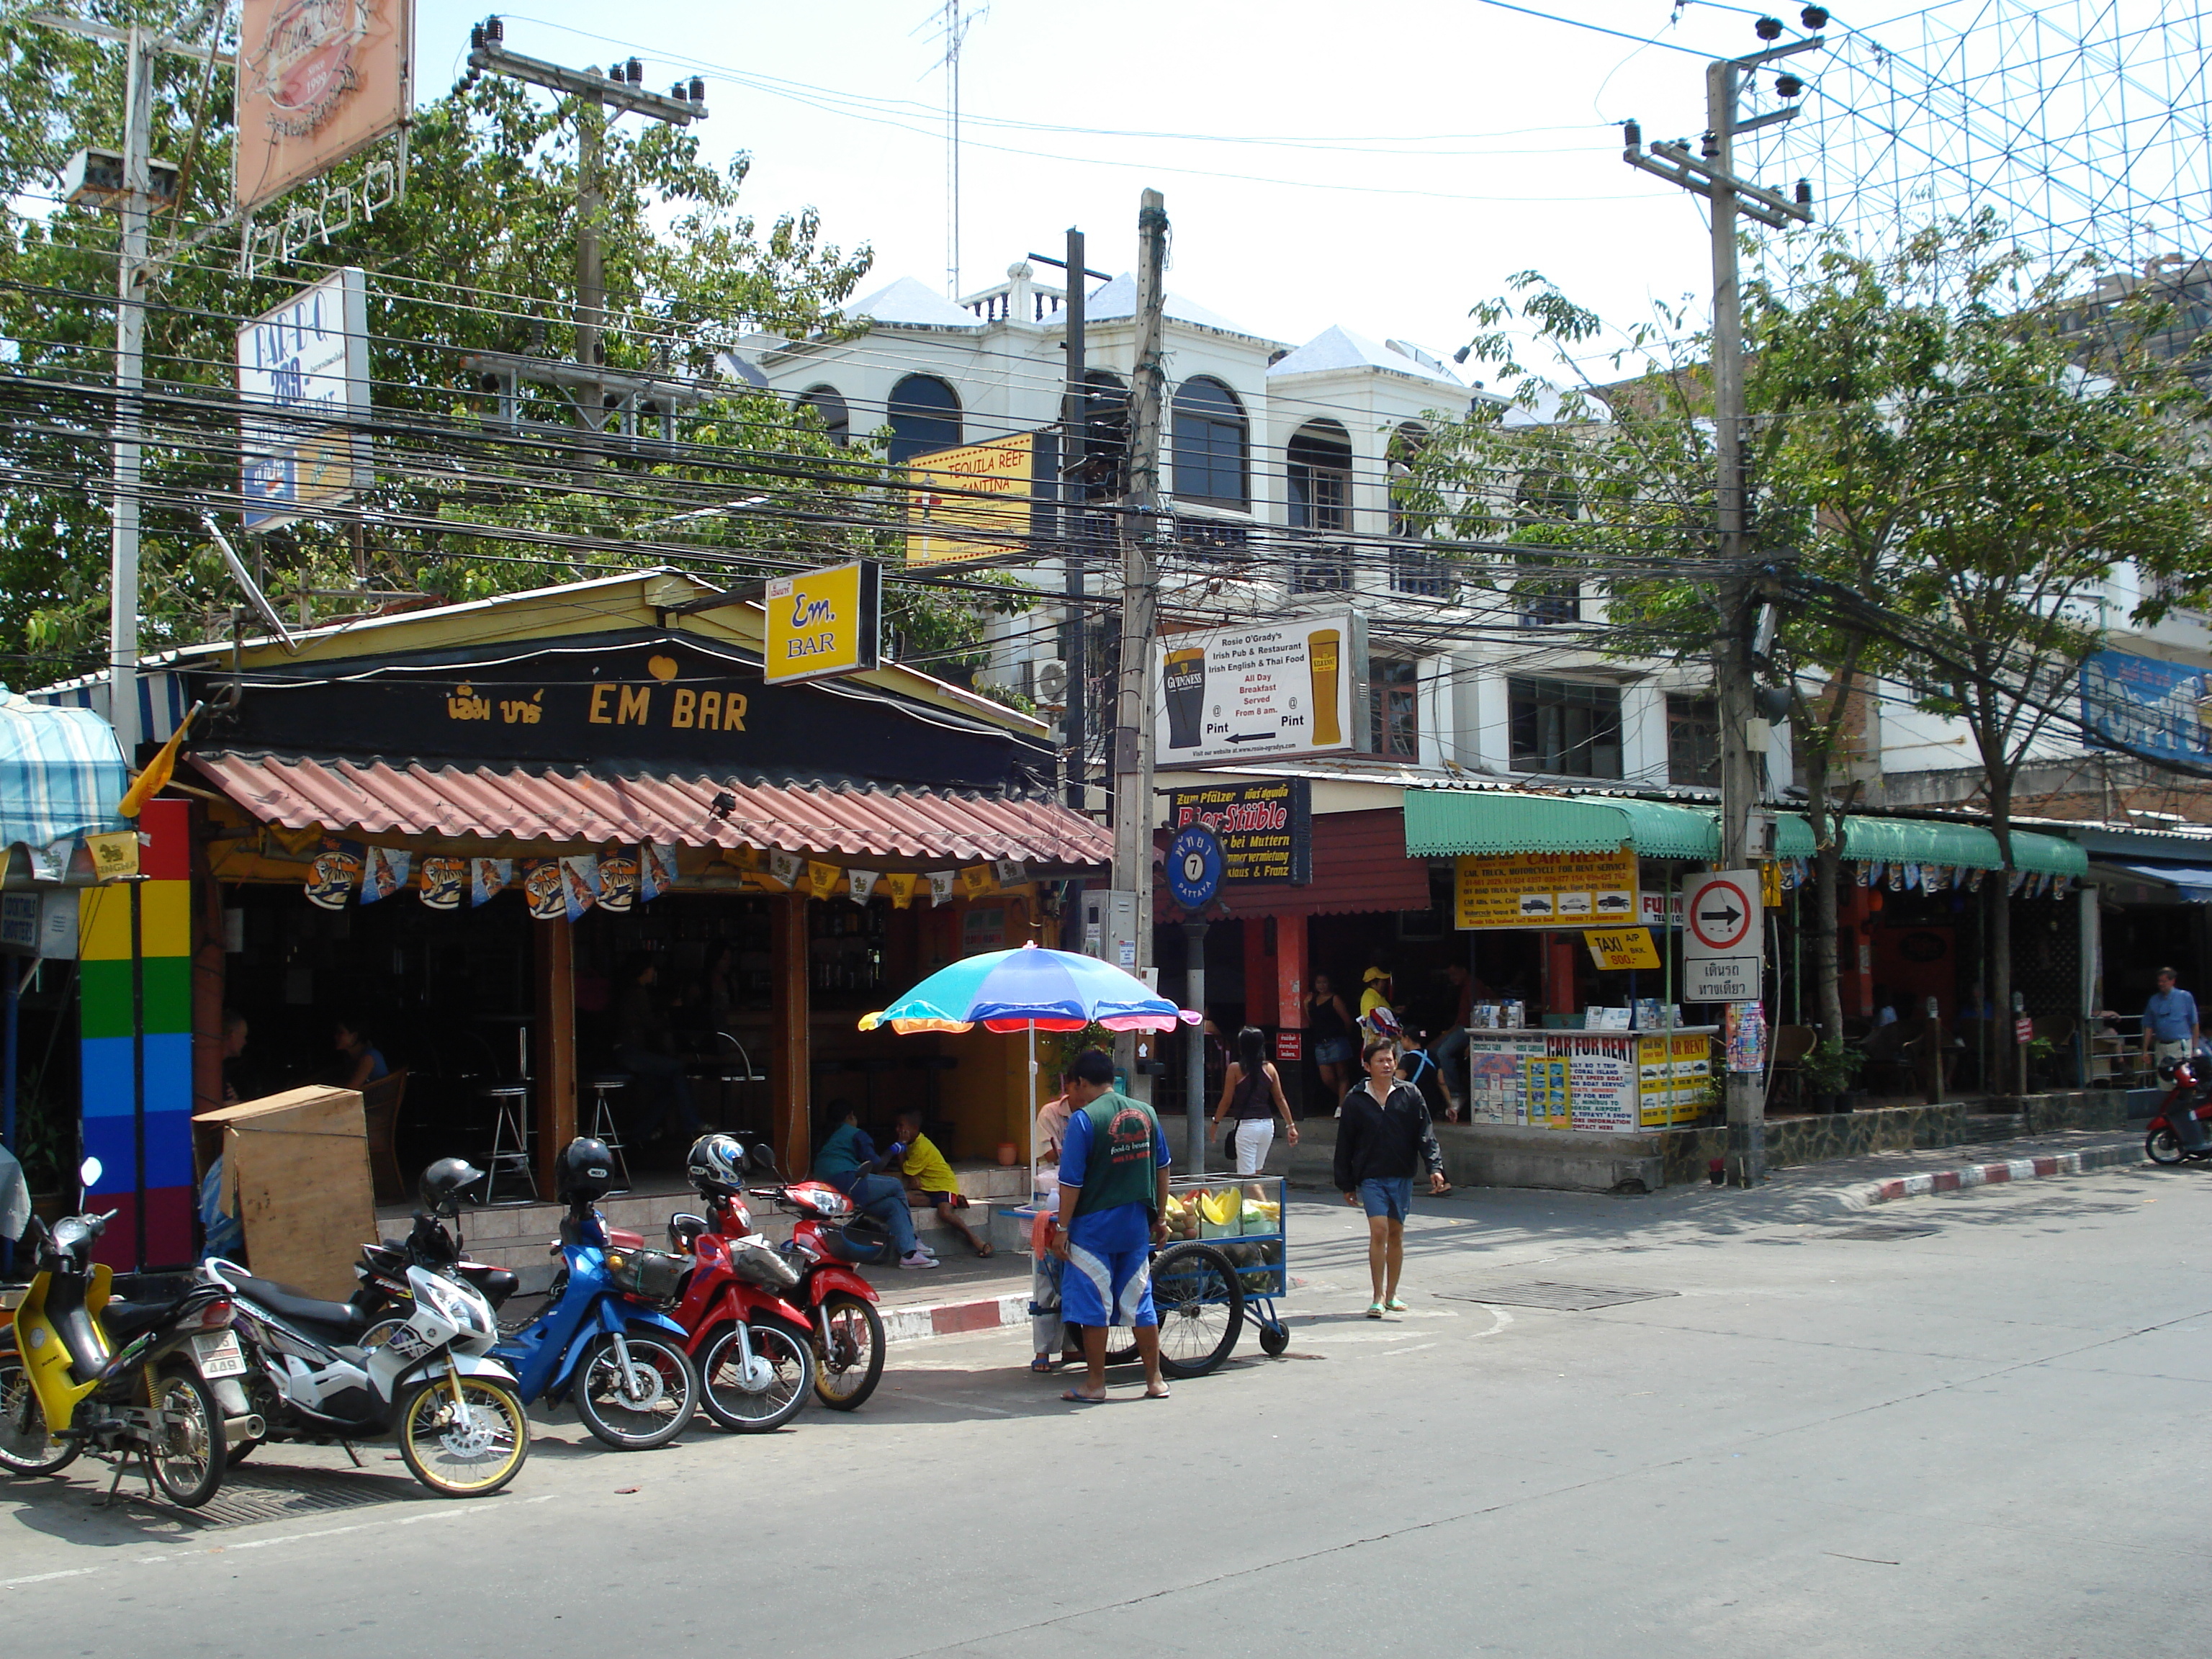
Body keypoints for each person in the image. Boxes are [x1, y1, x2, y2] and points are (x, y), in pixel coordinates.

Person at [1048, 1049, 1172, 1403]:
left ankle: (1096, 1384)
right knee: (1140, 1300)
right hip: (1135, 1225)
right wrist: (1160, 1218)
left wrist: (1063, 1227)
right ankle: (1155, 1379)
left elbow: (1070, 1182)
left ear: (1081, 1083)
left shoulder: (1085, 1121)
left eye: (1071, 1088)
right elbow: (1162, 1167)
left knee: (1093, 1305)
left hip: (1094, 1230)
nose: (1070, 1097)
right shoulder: (1147, 1113)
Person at [1333, 1037, 1449, 1319]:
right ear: (1367, 1066)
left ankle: (1392, 1294)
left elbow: (1425, 1135)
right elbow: (1345, 1144)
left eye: (1390, 1060)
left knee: (1396, 1234)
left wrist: (1435, 1167)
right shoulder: (1356, 1099)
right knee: (1379, 1231)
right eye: (1380, 1060)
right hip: (1371, 1177)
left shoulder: (1410, 1094)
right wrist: (1346, 1183)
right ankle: (1376, 1297)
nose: (1386, 1065)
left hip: (1402, 1174)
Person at [814, 1101, 937, 1269]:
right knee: (895, 1185)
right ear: (850, 1116)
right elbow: (877, 1167)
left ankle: (909, 1255)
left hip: (827, 1189)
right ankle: (911, 1244)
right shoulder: (855, 1133)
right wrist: (897, 1148)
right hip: (846, 1182)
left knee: (893, 1205)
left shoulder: (827, 1134)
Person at [612, 953, 704, 1146]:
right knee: (678, 1069)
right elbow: (651, 1024)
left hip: (628, 1051)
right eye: (652, 969)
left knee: (669, 1087)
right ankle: (691, 1123)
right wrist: (670, 1010)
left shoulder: (630, 991)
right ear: (645, 971)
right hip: (631, 1052)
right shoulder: (637, 992)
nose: (654, 972)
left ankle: (641, 1132)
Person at [891, 1107, 991, 1256]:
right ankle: (954, 1201)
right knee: (904, 1198)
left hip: (944, 1186)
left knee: (945, 1213)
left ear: (914, 1128)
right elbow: (909, 1173)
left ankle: (977, 1241)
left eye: (901, 1126)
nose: (898, 1130)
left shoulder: (922, 1147)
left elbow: (906, 1170)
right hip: (928, 1188)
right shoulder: (912, 1144)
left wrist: (901, 1146)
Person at [1211, 1025, 1298, 1193]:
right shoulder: (1270, 1068)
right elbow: (1280, 1099)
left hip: (1247, 1127)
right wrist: (1291, 1125)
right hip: (1267, 1125)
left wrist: (1216, 1122)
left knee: (1247, 1179)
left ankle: (1270, 1212)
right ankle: (1258, 1213)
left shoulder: (1235, 1069)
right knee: (1256, 1175)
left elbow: (1227, 1099)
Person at [2143, 967, 2207, 1152]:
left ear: (2172, 981)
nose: (2161, 985)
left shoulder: (2184, 997)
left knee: (2183, 1082)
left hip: (2180, 1044)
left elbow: (2194, 1022)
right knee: (2165, 1082)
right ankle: (2169, 1118)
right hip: (2162, 1045)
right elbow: (2148, 1026)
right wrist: (2145, 1050)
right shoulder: (2154, 1000)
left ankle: (2187, 1117)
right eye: (2159, 982)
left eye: (2165, 981)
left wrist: (2194, 1048)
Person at [1429, 963, 1478, 1122]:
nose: (1452, 979)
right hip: (1460, 1027)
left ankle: (1456, 1092)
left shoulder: (1474, 986)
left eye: (1454, 974)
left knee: (1443, 1053)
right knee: (1433, 1052)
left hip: (1469, 1028)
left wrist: (1473, 1041)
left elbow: (1478, 1015)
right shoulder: (1464, 988)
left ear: (1464, 970)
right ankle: (1442, 1094)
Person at [1308, 973, 1357, 1105]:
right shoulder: (1311, 1001)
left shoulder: (1335, 999)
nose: (1322, 986)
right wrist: (1306, 1004)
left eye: (1324, 982)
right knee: (1327, 1079)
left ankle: (1341, 1106)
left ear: (1329, 983)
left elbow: (1348, 1021)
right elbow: (1311, 1021)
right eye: (1319, 983)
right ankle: (1349, 1100)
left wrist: (1344, 1036)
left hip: (1337, 1040)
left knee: (1342, 1075)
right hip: (1320, 1043)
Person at [332, 1015, 388, 1092]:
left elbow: (351, 1089)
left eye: (341, 1033)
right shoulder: (350, 1056)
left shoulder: (367, 1058)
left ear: (354, 1036)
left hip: (375, 1102)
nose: (335, 1036)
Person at [220, 1010, 250, 1105]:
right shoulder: (207, 1071)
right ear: (232, 1036)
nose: (245, 1042)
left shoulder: (220, 1069)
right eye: (243, 1036)